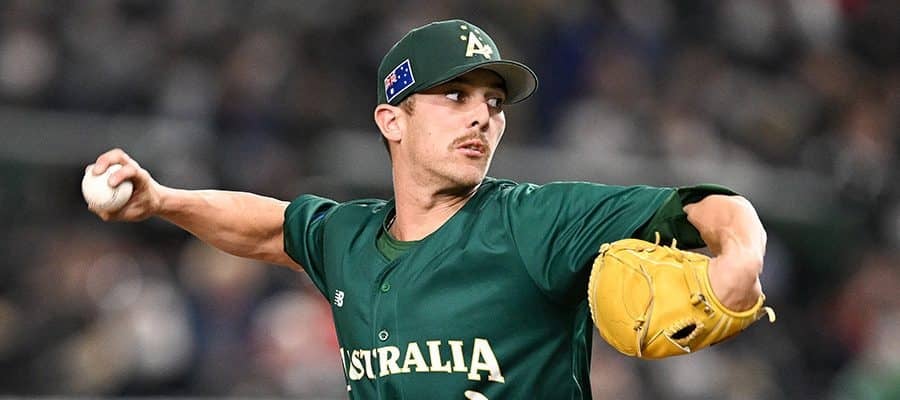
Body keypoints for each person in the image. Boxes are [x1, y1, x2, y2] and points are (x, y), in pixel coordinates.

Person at [87, 19, 767, 399]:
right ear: (393, 119)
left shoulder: (537, 222)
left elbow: (714, 206)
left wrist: (738, 263)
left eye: (493, 103)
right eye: (455, 97)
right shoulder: (347, 238)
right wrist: (164, 200)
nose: (482, 117)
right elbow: (265, 227)